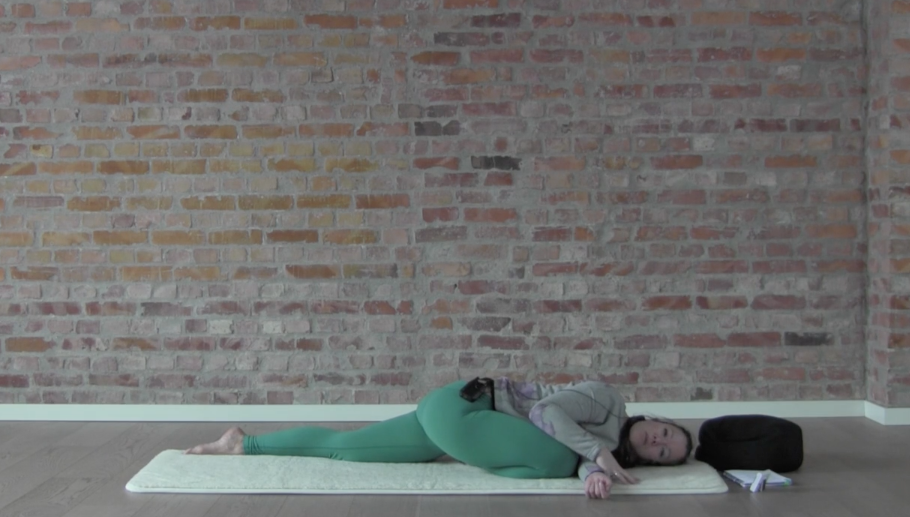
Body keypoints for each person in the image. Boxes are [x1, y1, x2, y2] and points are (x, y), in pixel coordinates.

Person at [185, 377, 693, 500]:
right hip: (467, 406)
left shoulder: (610, 453)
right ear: (657, 419)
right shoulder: (607, 400)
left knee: (347, 447)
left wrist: (595, 473)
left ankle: (242, 443)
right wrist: (594, 455)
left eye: (663, 451)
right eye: (666, 432)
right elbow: (546, 413)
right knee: (558, 463)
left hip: (447, 420)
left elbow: (582, 454)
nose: (658, 439)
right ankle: (476, 451)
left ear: (652, 460)